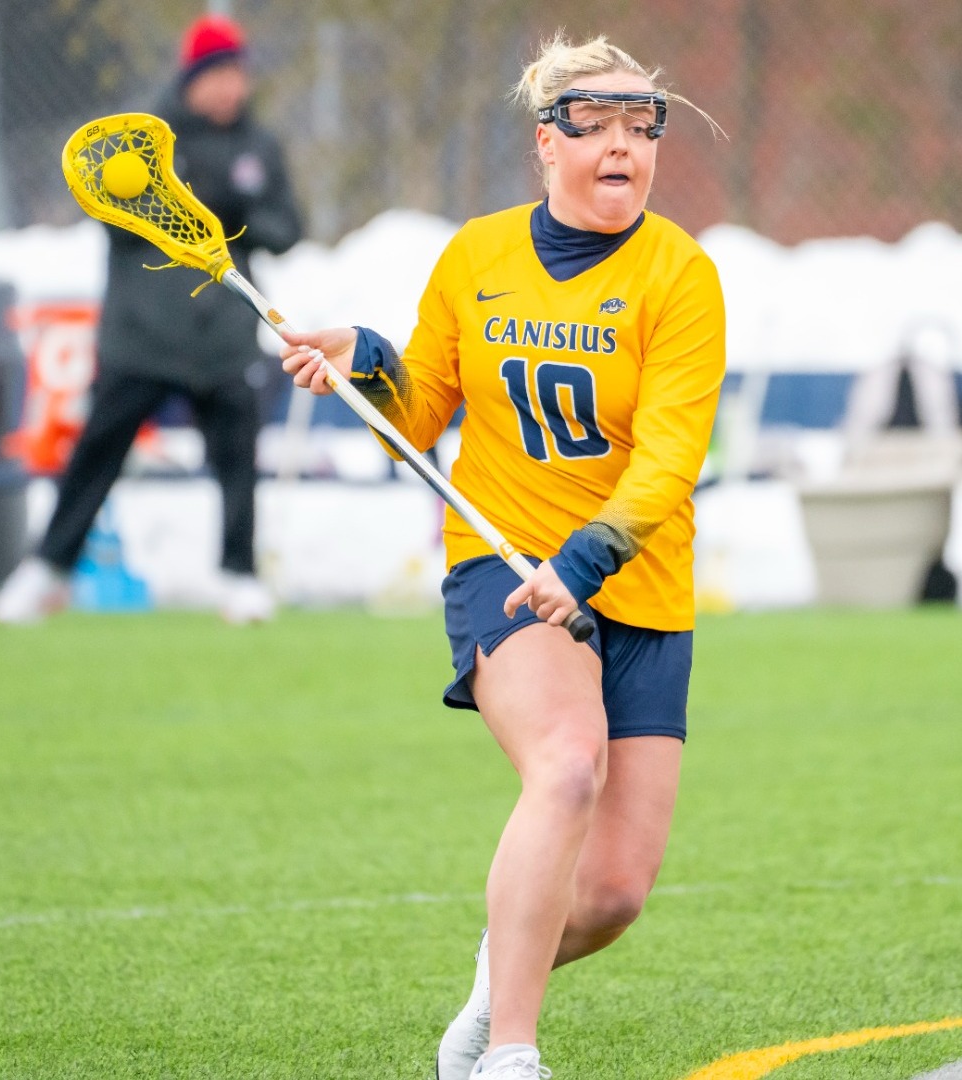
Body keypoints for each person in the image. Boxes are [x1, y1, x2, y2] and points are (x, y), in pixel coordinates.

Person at [280, 34, 723, 1080]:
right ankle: (509, 1054)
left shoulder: (682, 276)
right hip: (503, 564)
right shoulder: (477, 257)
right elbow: (423, 408)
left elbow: (668, 459)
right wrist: (364, 363)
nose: (623, 148)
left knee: (611, 894)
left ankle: (497, 973)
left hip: (633, 584)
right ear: (547, 143)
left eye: (640, 128)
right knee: (567, 765)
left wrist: (583, 563)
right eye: (597, 127)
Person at [0, 13, 302, 625]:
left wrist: (231, 207)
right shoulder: (144, 143)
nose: (229, 90)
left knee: (237, 457)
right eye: (216, 76)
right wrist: (179, 195)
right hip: (144, 337)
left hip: (224, 338)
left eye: (237, 76)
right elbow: (112, 222)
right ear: (190, 79)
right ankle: (47, 569)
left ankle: (238, 575)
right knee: (98, 452)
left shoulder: (256, 149)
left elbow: (286, 229)